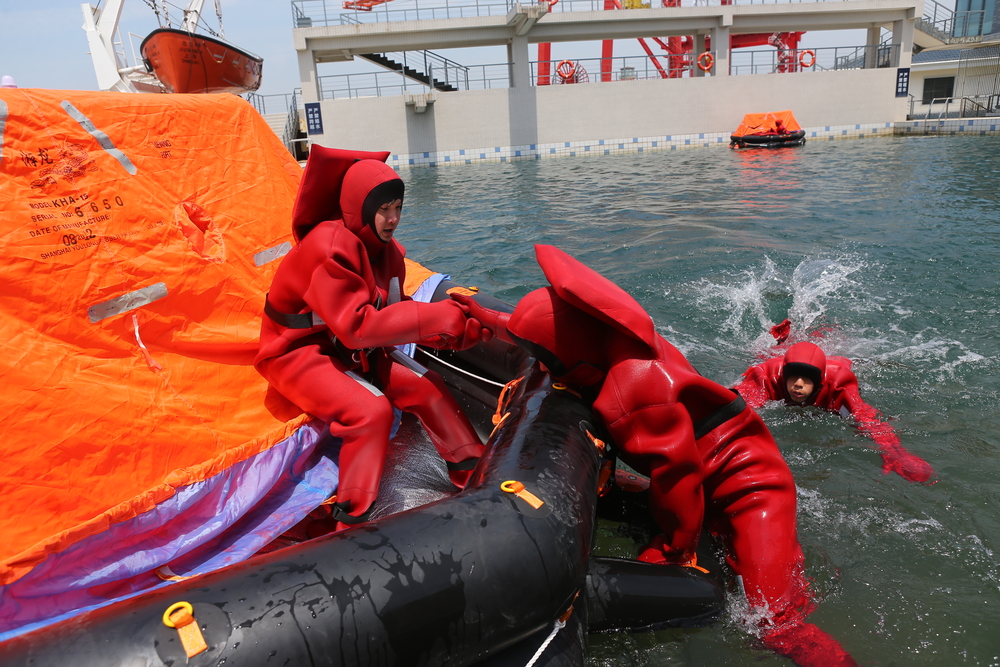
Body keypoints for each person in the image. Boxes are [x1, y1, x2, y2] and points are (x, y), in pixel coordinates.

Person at [454, 244, 857, 667]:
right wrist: (483, 313)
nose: (541, 367)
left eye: (545, 359)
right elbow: (542, 327)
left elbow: (678, 475)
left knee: (773, 623)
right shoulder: (607, 340)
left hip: (752, 490)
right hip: (711, 476)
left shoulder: (634, 388)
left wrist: (675, 549)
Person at [255, 146, 487, 530]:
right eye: (383, 209)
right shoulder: (328, 247)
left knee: (426, 386)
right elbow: (357, 325)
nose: (393, 219)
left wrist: (453, 332)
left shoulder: (387, 252)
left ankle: (474, 473)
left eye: (398, 207)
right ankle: (351, 520)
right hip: (295, 351)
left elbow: (397, 310)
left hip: (348, 350)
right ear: (357, 207)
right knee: (371, 412)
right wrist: (433, 317)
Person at [732, 340, 935, 484]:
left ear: (819, 382)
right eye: (793, 377)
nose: (799, 384)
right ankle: (782, 338)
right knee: (763, 350)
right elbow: (732, 404)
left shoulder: (838, 387)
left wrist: (894, 453)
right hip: (775, 360)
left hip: (839, 364)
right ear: (784, 376)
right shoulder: (767, 379)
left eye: (807, 379)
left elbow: (868, 419)